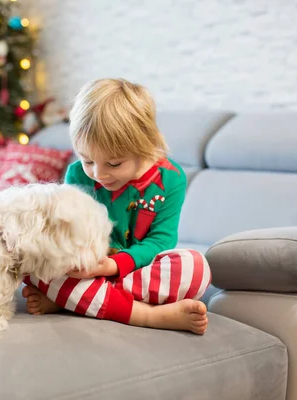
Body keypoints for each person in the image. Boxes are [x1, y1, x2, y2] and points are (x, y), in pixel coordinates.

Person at [22, 78, 211, 334]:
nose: (99, 174)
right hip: (84, 270)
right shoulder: (77, 175)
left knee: (196, 267)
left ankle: (74, 301)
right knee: (31, 263)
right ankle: (145, 314)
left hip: (135, 271)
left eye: (113, 164)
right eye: (87, 160)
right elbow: (66, 234)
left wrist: (111, 266)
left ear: (144, 146)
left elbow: (159, 242)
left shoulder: (170, 179)